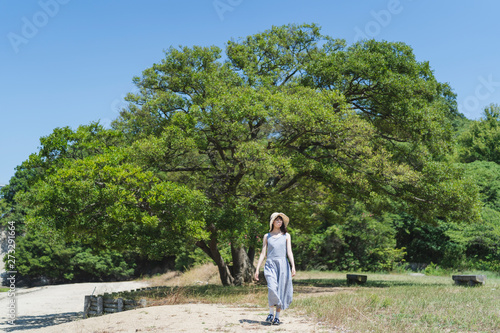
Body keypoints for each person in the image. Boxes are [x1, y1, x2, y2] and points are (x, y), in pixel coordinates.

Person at [254, 212, 296, 325]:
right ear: (272, 222)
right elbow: (263, 253)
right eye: (277, 219)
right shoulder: (267, 236)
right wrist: (257, 269)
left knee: (281, 290)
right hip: (270, 264)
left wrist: (293, 266)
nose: (279, 221)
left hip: (283, 265)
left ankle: (277, 316)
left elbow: (289, 252)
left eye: (280, 220)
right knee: (272, 288)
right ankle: (270, 312)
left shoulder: (286, 236)